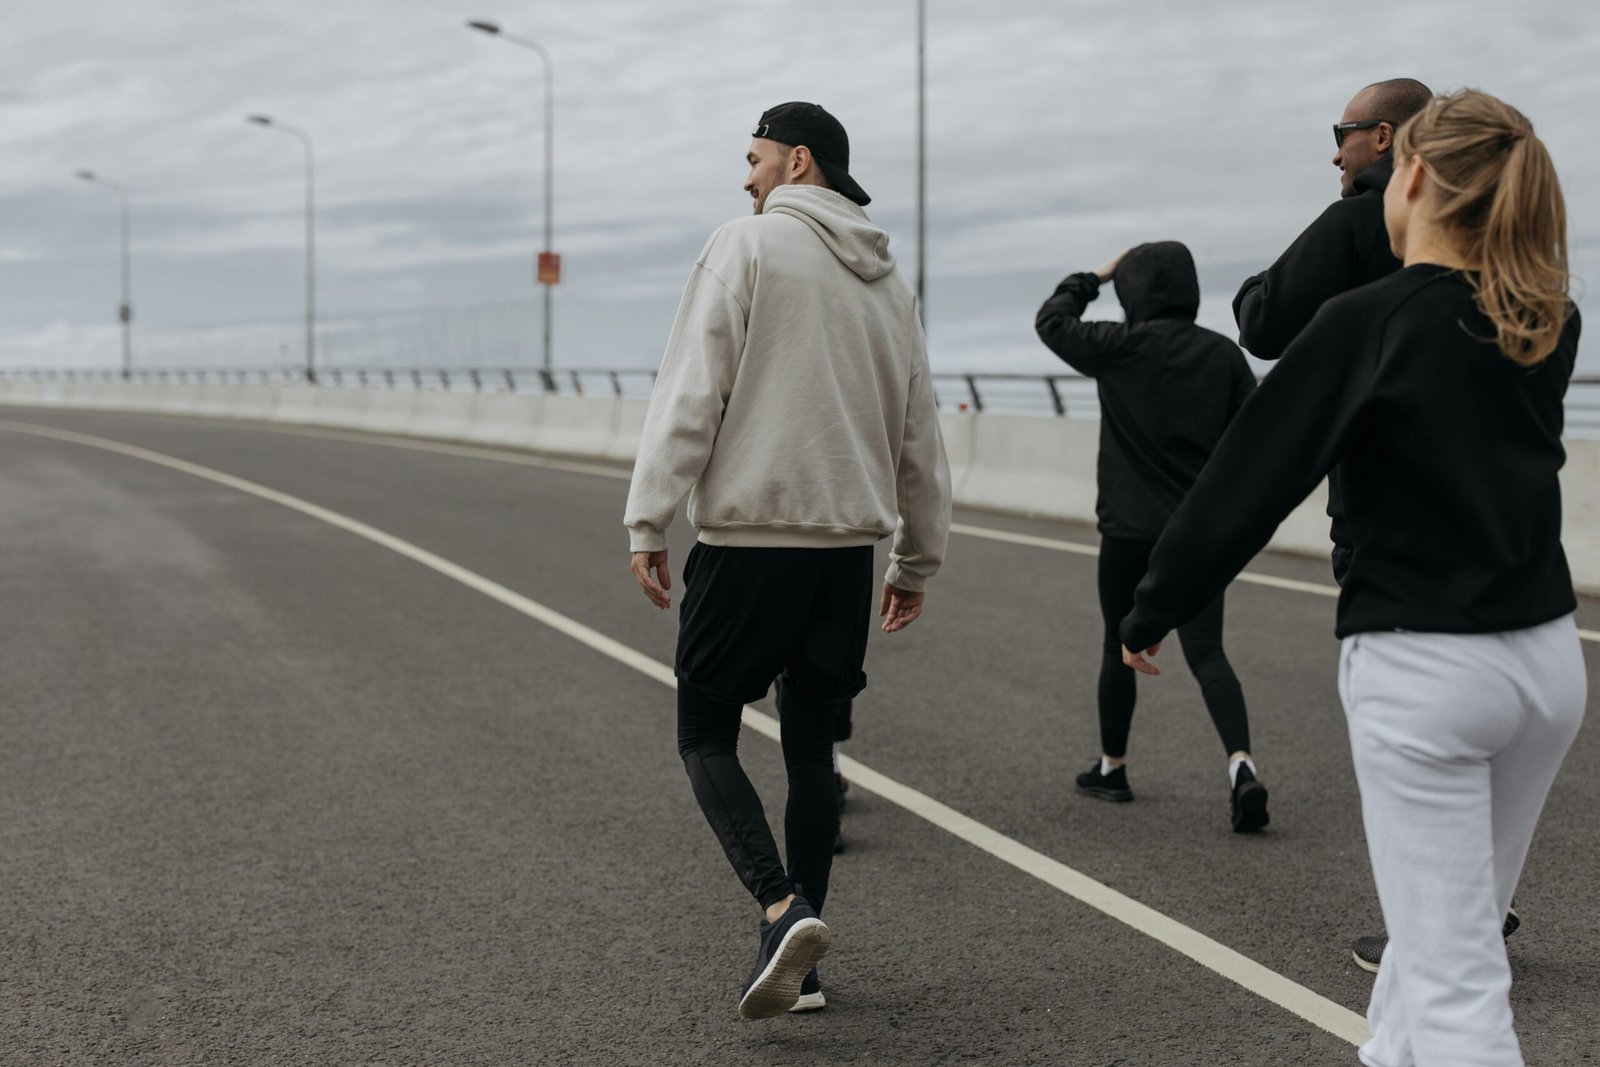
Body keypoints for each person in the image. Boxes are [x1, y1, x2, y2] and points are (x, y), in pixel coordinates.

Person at [1121, 89, 1583, 1067]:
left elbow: (1247, 481)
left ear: (1406, 176)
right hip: (1546, 667)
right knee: (1429, 952)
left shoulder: (1366, 322)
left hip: (1426, 670)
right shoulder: (1546, 318)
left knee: (1460, 992)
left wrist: (1153, 604)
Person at [624, 101, 952, 1020]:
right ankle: (801, 972)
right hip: (847, 551)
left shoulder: (749, 244)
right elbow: (919, 433)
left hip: (752, 539)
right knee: (813, 755)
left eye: (756, 157)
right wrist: (915, 559)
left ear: (799, 161)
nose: (747, 177)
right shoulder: (889, 282)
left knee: (703, 732)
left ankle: (780, 908)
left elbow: (694, 386)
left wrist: (649, 515)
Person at [1036, 242, 1268, 832]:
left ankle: (1113, 769)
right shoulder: (1221, 356)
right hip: (1196, 535)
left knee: (1118, 642)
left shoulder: (1119, 346)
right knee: (1207, 651)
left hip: (1126, 533)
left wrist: (1095, 276)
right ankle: (1241, 766)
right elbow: (1257, 438)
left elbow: (1052, 321)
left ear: (1133, 291)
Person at [1232, 77, 1433, 584]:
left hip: (1379, 516)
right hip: (1493, 520)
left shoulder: (1356, 221)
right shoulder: (1488, 229)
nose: (1337, 156)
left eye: (1342, 135)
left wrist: (1252, 286)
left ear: (1384, 137)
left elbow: (1263, 326)